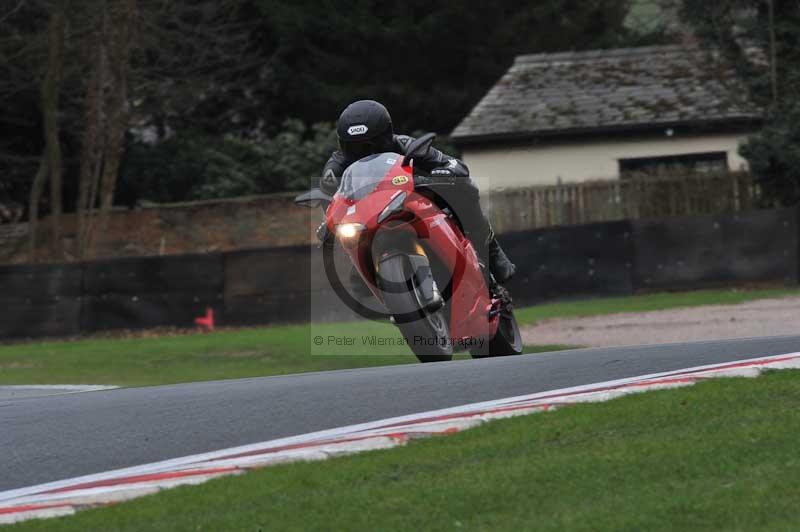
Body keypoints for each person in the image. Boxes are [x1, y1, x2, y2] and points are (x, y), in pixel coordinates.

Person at [320, 99, 516, 284]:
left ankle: (491, 250)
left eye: (371, 145)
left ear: (387, 136)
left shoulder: (405, 144)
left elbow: (456, 166)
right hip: (371, 224)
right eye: (355, 148)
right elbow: (330, 204)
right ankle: (365, 268)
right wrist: (330, 225)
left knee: (466, 188)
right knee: (348, 239)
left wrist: (446, 171)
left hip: (417, 202)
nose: (364, 153)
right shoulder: (334, 169)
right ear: (342, 145)